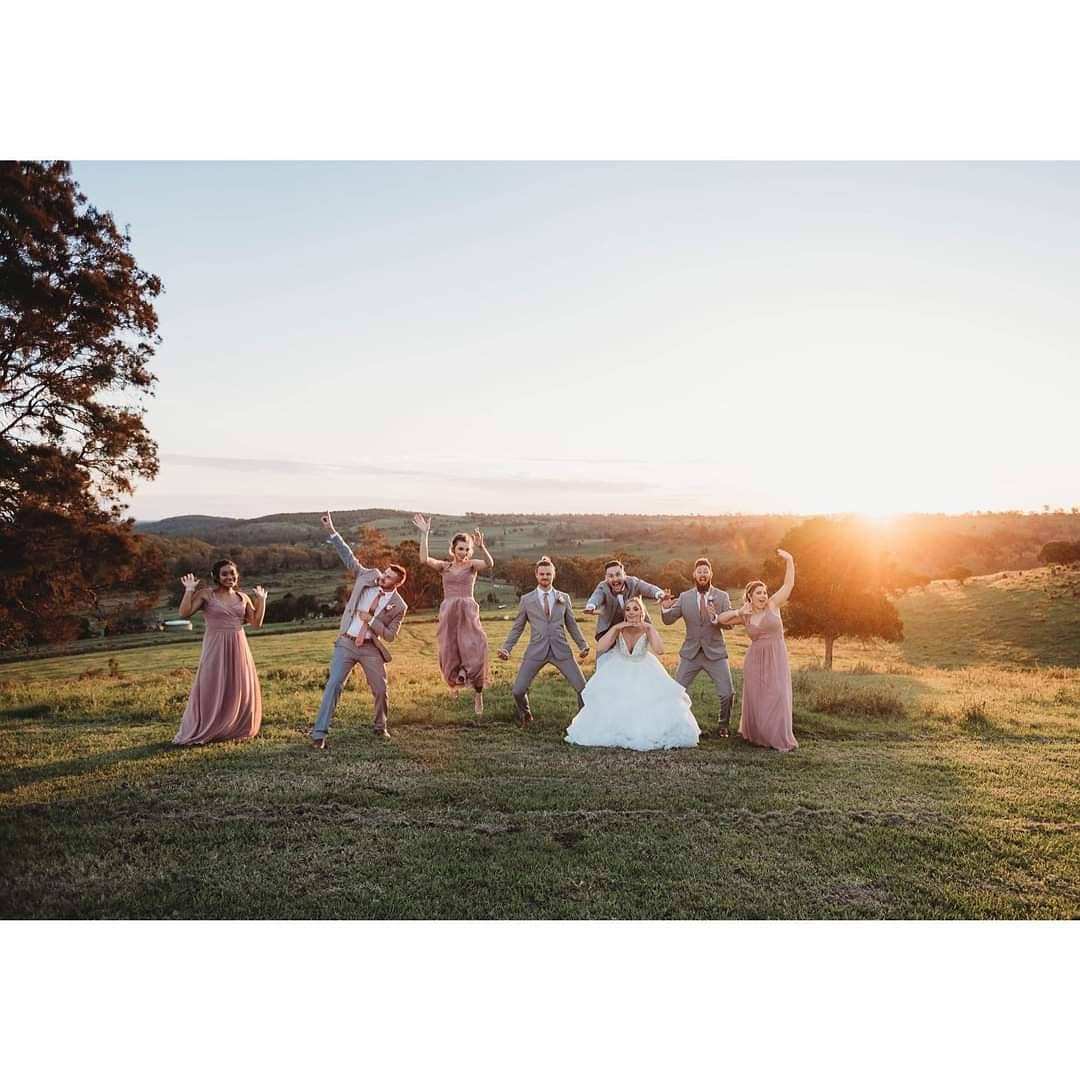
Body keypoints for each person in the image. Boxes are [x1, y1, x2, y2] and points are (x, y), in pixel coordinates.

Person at [312, 511, 409, 747]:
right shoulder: (367, 576)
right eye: (384, 574)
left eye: (387, 579)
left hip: (369, 648)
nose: (382, 578)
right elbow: (348, 556)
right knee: (333, 685)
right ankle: (319, 735)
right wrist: (332, 531)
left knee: (380, 689)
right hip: (346, 642)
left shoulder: (399, 606)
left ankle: (380, 726)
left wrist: (372, 620)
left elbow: (391, 636)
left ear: (395, 584)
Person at [566, 596, 699, 751]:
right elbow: (601, 647)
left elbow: (660, 650)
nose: (631, 612)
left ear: (642, 612)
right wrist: (615, 628)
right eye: (628, 609)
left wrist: (649, 628)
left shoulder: (647, 628)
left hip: (643, 667)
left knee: (645, 700)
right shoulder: (619, 628)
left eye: (636, 609)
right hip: (618, 667)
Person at [173, 560, 267, 746]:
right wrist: (189, 590)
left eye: (232, 573)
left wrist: (261, 601)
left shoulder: (243, 597)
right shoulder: (207, 595)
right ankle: (208, 726)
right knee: (212, 683)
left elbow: (256, 623)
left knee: (238, 684)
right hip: (215, 645)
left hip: (238, 644)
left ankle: (234, 727)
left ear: (237, 575)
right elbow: (184, 614)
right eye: (224, 574)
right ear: (216, 576)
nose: (229, 577)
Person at [414, 513, 493, 716]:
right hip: (449, 612)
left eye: (467, 549)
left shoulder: (472, 565)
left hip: (467, 611)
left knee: (476, 648)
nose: (464, 552)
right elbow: (424, 559)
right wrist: (424, 534)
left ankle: (478, 694)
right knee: (449, 649)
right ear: (453, 549)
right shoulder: (445, 567)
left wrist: (482, 546)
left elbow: (490, 564)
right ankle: (454, 681)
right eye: (460, 549)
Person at [497, 556, 590, 723]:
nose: (545, 577)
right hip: (536, 651)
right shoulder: (526, 600)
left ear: (553, 575)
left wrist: (583, 645)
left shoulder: (564, 598)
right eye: (542, 574)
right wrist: (506, 648)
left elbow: (572, 625)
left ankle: (584, 720)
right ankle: (525, 715)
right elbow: (517, 627)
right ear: (536, 575)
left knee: (584, 689)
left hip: (561, 651)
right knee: (518, 691)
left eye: (548, 574)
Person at [660, 557, 740, 736]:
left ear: (711, 574)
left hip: (716, 653)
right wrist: (665, 608)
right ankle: (676, 725)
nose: (702, 574)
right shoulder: (684, 597)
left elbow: (730, 624)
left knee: (727, 693)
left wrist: (716, 618)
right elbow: (668, 620)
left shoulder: (722, 596)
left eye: (706, 571)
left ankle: (723, 726)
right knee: (676, 692)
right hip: (691, 653)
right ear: (694, 575)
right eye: (699, 571)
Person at [735, 549, 798, 752]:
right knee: (757, 696)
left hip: (776, 656)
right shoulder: (746, 614)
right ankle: (759, 736)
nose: (763, 595)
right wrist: (730, 613)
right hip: (755, 659)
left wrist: (790, 560)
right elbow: (722, 620)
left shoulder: (773, 605)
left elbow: (789, 585)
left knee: (778, 694)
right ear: (750, 597)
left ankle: (778, 737)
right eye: (758, 593)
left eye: (764, 592)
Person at [582, 561, 668, 641]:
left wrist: (660, 594)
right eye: (611, 576)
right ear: (606, 578)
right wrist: (591, 606)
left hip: (636, 625)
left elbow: (649, 588)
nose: (615, 579)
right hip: (610, 628)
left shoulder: (634, 582)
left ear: (624, 575)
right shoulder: (603, 587)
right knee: (604, 654)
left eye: (618, 575)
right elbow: (596, 597)